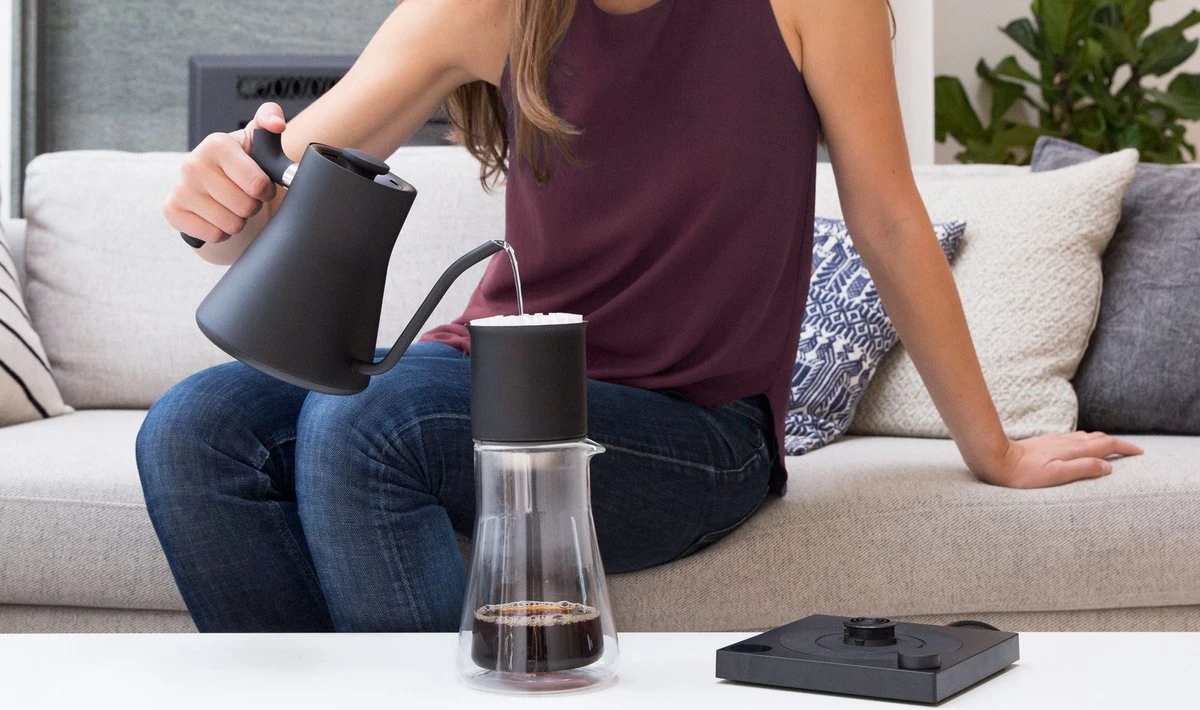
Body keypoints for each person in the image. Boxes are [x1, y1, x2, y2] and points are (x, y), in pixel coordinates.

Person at [138, 0, 1142, 633]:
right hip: (497, 382)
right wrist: (215, 198)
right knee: (194, 431)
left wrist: (993, 447)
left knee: (366, 427)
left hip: (697, 430)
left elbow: (886, 219)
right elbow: (262, 202)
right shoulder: (493, 7)